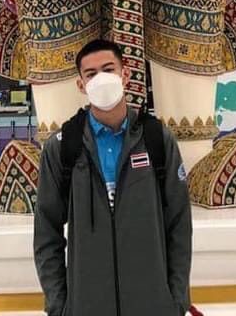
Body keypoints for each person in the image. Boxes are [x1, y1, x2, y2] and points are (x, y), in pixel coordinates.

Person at [34, 39, 193, 316]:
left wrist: (176, 300)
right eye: (91, 74)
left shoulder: (156, 138)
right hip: (87, 305)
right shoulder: (63, 147)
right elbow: (47, 231)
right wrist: (59, 305)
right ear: (81, 85)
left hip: (152, 304)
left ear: (125, 74)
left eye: (108, 70)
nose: (101, 79)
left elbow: (179, 224)